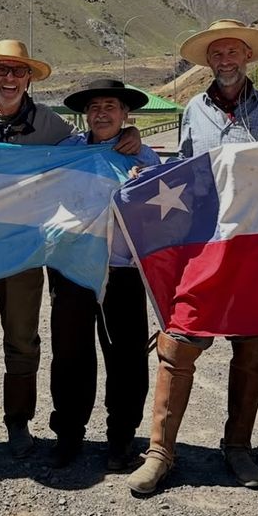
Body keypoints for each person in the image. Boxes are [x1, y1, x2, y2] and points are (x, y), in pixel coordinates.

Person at [0, 39, 143, 460]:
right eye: (2, 69)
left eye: (112, 107)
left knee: (116, 354)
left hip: (114, 269)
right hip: (31, 260)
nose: (10, 77)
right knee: (55, 351)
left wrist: (134, 138)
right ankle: (50, 430)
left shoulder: (62, 134)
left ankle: (119, 437)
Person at [128, 19, 258, 498]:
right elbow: (183, 172)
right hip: (203, 245)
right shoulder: (191, 113)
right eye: (216, 55)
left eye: (233, 53)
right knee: (179, 341)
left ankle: (238, 446)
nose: (225, 61)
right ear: (209, 61)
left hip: (256, 247)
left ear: (247, 56)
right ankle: (160, 451)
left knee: (251, 348)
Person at [50, 78, 161, 470]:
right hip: (73, 267)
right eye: (94, 107)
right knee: (70, 353)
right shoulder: (65, 153)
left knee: (127, 355)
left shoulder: (145, 158)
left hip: (123, 270)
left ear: (125, 114)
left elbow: (158, 217)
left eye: (110, 106)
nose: (101, 113)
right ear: (85, 113)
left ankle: (121, 438)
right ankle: (68, 434)